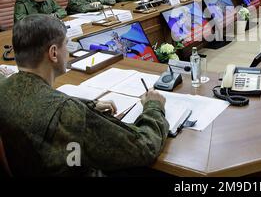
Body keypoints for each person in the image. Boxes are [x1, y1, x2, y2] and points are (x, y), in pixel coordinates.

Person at [0, 14, 169, 176]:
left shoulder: (4, 88)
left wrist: (89, 105)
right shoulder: (68, 113)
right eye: (66, 44)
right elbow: (145, 148)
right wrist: (154, 107)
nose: (68, 51)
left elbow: (35, 100)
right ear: (53, 53)